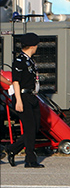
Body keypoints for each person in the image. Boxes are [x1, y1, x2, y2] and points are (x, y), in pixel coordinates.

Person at [9, 33, 43, 168]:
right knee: (29, 128)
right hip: (22, 96)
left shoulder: (30, 60)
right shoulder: (19, 61)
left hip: (32, 96)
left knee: (35, 127)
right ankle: (30, 159)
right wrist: (18, 100)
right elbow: (16, 82)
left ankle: (12, 149)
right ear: (32, 46)